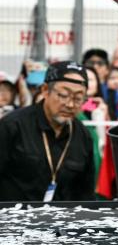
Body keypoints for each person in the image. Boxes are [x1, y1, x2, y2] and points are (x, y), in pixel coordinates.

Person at [0, 61, 95, 201]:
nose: (70, 104)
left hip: (63, 219)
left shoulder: (83, 135)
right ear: (45, 90)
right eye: (63, 95)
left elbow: (85, 193)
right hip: (14, 218)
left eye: (78, 98)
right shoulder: (12, 126)